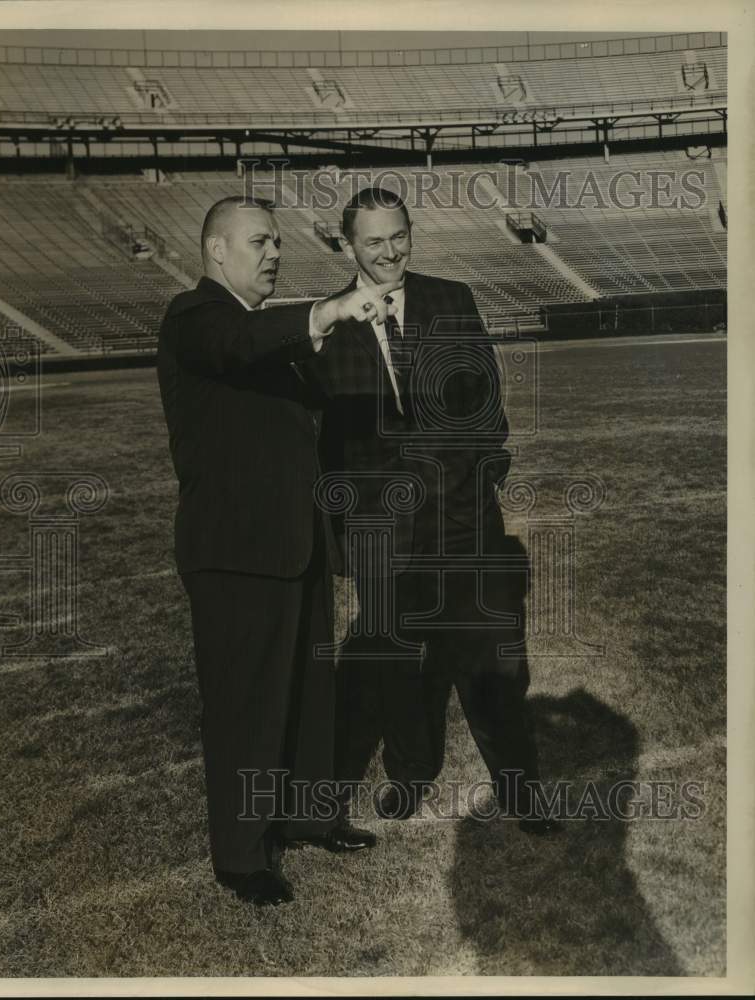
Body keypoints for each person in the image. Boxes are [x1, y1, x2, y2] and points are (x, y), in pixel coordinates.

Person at [156, 195, 402, 906]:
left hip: (295, 544)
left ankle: (308, 816)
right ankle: (240, 855)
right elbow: (237, 345)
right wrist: (324, 313)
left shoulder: (266, 334)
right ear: (216, 253)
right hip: (234, 552)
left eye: (276, 244)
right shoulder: (195, 317)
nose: (273, 254)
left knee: (306, 691)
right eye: (258, 242)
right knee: (245, 704)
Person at [314, 186, 560, 834]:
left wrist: (464, 489)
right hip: (382, 539)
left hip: (463, 522)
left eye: (398, 236)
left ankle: (521, 790)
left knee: (493, 668)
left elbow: (486, 410)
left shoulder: (452, 300)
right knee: (397, 670)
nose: (390, 251)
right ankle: (408, 774)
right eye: (374, 241)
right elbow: (331, 450)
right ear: (348, 245)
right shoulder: (326, 327)